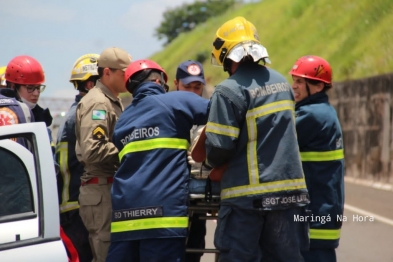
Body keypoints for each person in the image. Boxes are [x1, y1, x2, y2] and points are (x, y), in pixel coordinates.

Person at [204, 16, 310, 261]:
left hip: (246, 201)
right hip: (290, 195)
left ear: (224, 55)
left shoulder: (228, 90)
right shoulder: (282, 83)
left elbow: (219, 148)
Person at [106, 59, 210, 262]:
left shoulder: (123, 121)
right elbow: (222, 110)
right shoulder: (176, 101)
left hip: (124, 221)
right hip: (163, 218)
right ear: (159, 82)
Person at [75, 47, 131, 262]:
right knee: (106, 256)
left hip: (106, 189)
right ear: (107, 72)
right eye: (123, 73)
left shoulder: (110, 100)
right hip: (101, 190)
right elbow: (93, 150)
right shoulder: (98, 102)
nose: (128, 77)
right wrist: (129, 149)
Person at [289, 55, 345, 262]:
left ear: (318, 86)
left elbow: (275, 138)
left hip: (315, 214)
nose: (293, 86)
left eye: (300, 82)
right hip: (322, 209)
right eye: (294, 80)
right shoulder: (322, 111)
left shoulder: (313, 115)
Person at [55, 53, 100, 262]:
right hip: (80, 206)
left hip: (71, 205)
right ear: (91, 85)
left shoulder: (71, 115)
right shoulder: (85, 115)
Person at [175, 60, 208, 262]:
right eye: (187, 87)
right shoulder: (167, 113)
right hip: (174, 196)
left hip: (201, 191)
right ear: (176, 83)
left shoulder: (210, 113)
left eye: (197, 87)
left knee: (196, 246)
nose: (193, 93)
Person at [5, 55, 53, 146]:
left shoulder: (41, 119)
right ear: (13, 86)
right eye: (30, 88)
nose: (36, 93)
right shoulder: (5, 116)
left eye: (38, 88)